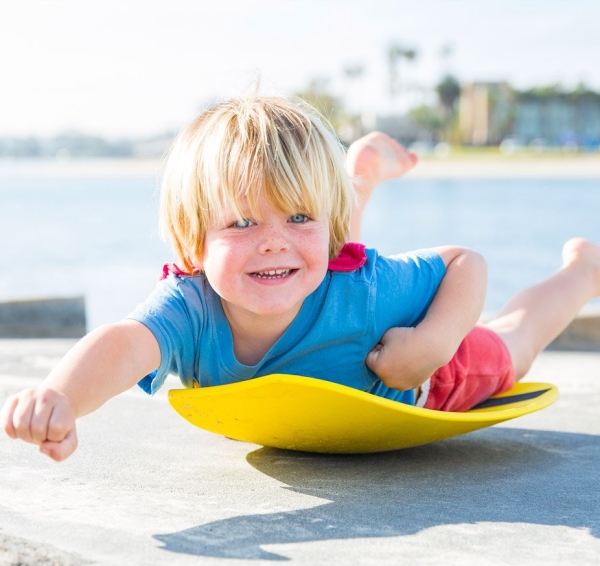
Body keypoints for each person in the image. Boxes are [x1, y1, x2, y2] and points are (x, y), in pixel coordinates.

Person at [2, 96, 599, 463]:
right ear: (190, 244)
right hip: (337, 288)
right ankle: (352, 181)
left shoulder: (365, 287)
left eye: (297, 212)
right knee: (307, 262)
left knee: (514, 340)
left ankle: (583, 271)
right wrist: (61, 398)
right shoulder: (188, 308)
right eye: (240, 220)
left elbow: (464, 264)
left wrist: (430, 347)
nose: (269, 237)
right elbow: (125, 343)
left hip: (428, 378)